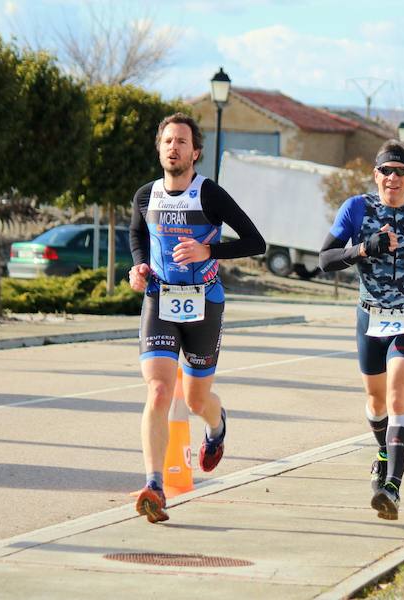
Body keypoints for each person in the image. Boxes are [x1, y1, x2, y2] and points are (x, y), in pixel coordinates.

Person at [129, 113, 266, 523]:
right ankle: (154, 485)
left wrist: (210, 252)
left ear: (196, 152)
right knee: (158, 390)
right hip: (160, 300)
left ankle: (217, 424)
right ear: (159, 148)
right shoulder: (144, 195)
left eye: (182, 142)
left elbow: (255, 242)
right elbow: (137, 235)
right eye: (168, 140)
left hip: (205, 303)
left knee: (195, 399)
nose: (174, 147)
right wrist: (137, 268)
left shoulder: (209, 194)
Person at [318, 140, 404, 520]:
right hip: (370, 316)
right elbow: (325, 258)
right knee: (376, 402)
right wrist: (362, 248)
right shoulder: (357, 209)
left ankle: (392, 486)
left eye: (400, 171)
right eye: (385, 171)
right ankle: (383, 452)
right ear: (376, 175)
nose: (392, 178)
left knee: (398, 394)